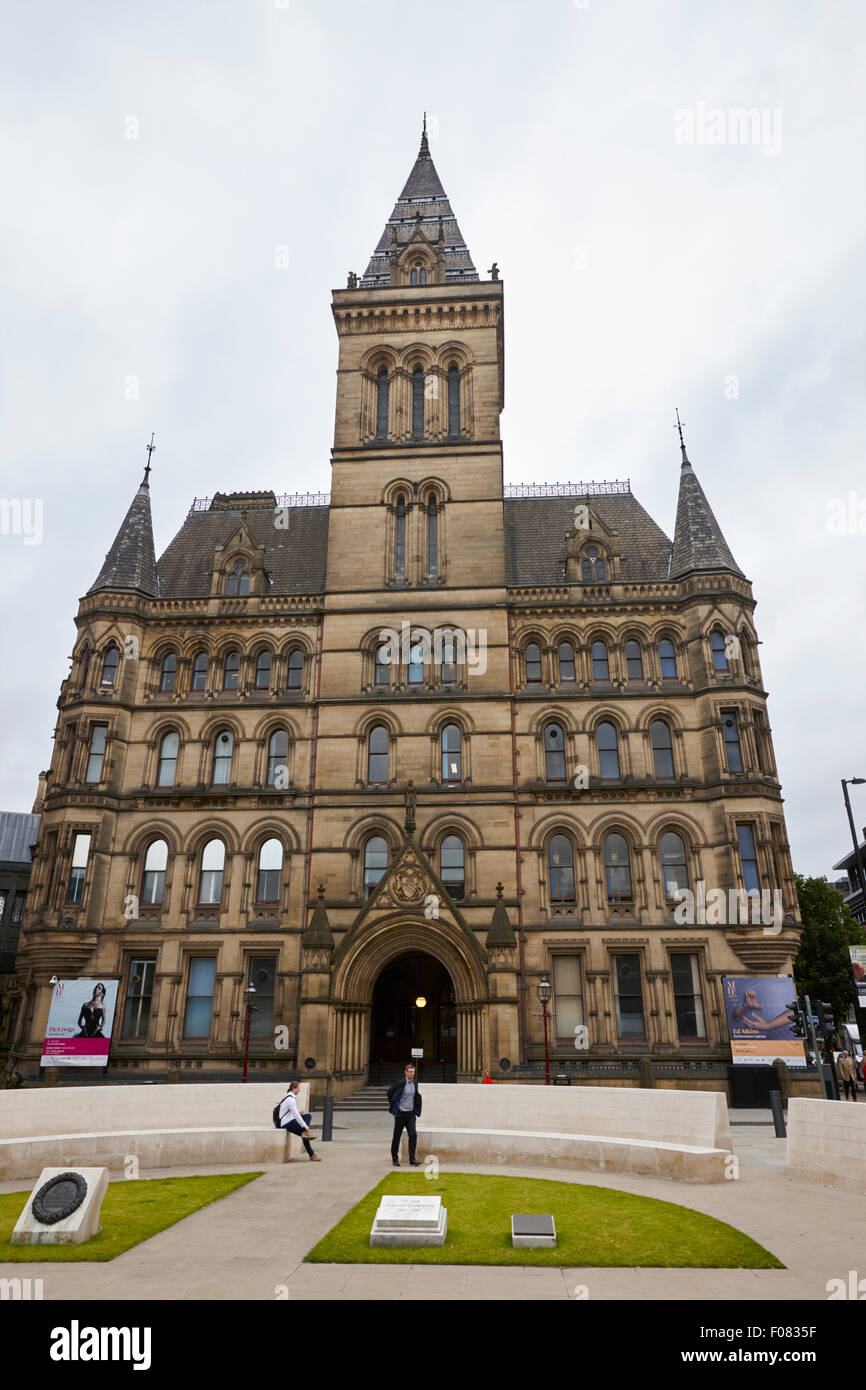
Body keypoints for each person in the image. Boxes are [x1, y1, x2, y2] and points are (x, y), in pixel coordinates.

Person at [388, 1063, 422, 1167]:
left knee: (413, 1135)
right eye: (410, 1072)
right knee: (397, 1136)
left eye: (413, 1072)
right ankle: (395, 1159)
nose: (412, 1074)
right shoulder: (400, 1083)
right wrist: (395, 1107)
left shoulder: (415, 1083)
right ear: (405, 1072)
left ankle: (412, 1159)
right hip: (400, 1114)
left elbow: (416, 1096)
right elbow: (390, 1093)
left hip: (410, 1114)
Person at [279, 1081, 321, 1160]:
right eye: (298, 1088)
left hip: (290, 1120)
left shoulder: (290, 1098)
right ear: (293, 1088)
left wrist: (299, 1114)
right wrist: (305, 1126)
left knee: (308, 1116)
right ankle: (312, 1155)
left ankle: (305, 1134)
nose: (299, 1090)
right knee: (303, 1132)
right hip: (286, 1123)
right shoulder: (290, 1100)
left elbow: (294, 1114)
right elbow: (296, 1115)